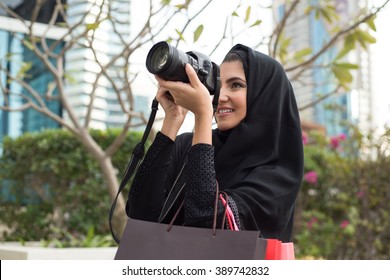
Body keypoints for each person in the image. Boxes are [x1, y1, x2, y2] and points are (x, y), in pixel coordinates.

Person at [126, 44, 304, 242]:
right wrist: (172, 120)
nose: (221, 96)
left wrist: (202, 115)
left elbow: (208, 225)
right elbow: (139, 213)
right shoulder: (188, 145)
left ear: (265, 96)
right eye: (220, 86)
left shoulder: (277, 174)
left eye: (235, 85)